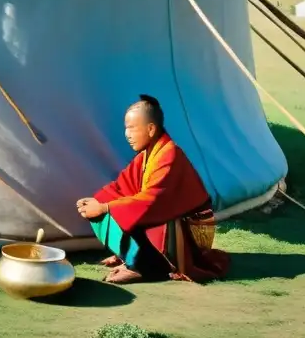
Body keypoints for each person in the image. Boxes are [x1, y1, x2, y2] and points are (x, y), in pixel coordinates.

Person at [76, 95, 230, 285]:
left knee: (117, 212)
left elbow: (153, 201)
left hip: (188, 230)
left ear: (151, 129)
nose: (127, 134)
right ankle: (136, 259)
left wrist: (105, 207)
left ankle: (142, 267)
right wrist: (96, 201)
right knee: (104, 213)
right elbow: (122, 186)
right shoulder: (148, 154)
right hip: (168, 218)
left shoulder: (169, 154)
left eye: (132, 128)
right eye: (126, 128)